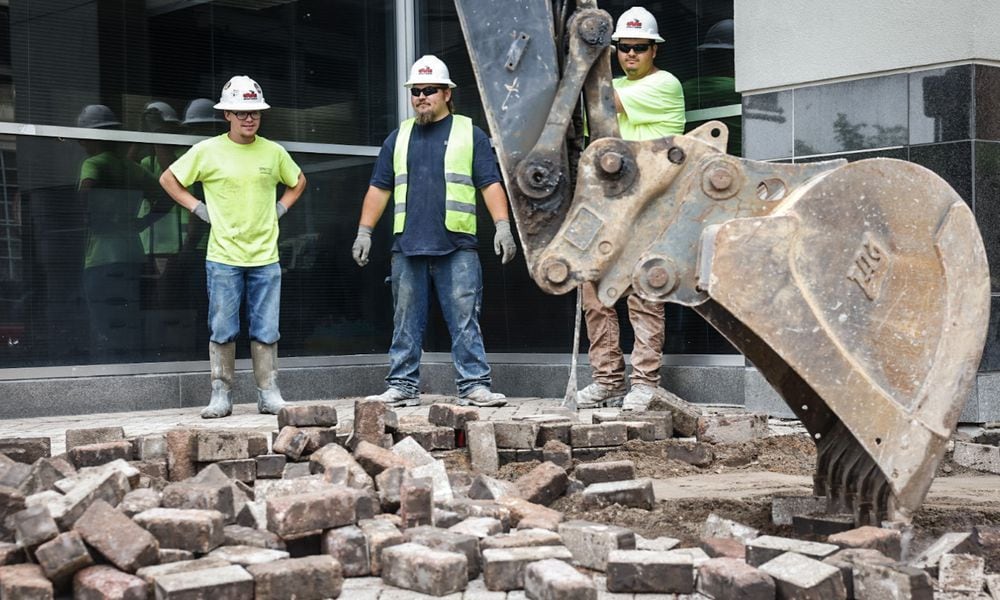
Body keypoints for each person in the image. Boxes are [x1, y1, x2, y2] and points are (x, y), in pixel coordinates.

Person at [352, 55, 516, 409]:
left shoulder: (469, 134)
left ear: (446, 94)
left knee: (464, 319)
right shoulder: (399, 137)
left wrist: (503, 226)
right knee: (405, 323)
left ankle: (474, 385)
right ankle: (402, 385)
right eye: (416, 91)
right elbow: (379, 189)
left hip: (456, 245)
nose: (421, 97)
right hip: (407, 246)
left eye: (429, 90)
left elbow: (490, 184)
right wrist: (364, 231)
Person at [159, 76, 307, 418]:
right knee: (223, 327)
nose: (249, 118)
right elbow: (169, 179)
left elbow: (298, 181)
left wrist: (280, 209)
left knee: (266, 327)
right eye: (241, 112)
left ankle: (268, 394)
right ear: (227, 114)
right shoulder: (207, 150)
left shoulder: (273, 152)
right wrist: (198, 208)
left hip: (266, 256)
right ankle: (221, 394)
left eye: (254, 111)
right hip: (224, 256)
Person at [576, 6, 686, 411]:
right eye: (622, 47)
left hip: (650, 206)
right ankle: (606, 380)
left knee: (644, 295)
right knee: (594, 293)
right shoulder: (613, 84)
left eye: (639, 47)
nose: (630, 55)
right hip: (611, 206)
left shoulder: (664, 85)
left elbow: (605, 102)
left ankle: (644, 383)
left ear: (654, 49)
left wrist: (582, 55)